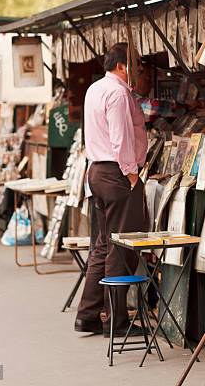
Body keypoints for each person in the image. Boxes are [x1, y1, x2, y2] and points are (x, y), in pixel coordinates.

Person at [75, 43, 150, 336]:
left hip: (97, 171)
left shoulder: (95, 89)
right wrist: (132, 175)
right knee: (121, 246)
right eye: (137, 67)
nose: (139, 73)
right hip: (116, 173)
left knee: (104, 245)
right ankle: (115, 320)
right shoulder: (118, 93)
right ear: (122, 66)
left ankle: (88, 314)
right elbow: (120, 138)